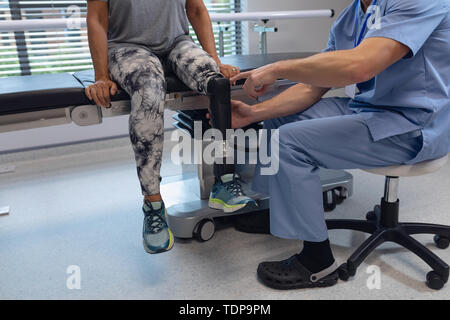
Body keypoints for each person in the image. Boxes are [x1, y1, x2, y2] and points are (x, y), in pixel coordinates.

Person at [231, 0, 449, 289]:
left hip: (413, 124)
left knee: (289, 143)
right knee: (278, 118)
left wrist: (279, 68)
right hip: (368, 109)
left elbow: (360, 67)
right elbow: (313, 85)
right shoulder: (350, 16)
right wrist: (254, 114)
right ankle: (274, 210)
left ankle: (317, 263)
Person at [85, 0, 256, 255]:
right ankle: (153, 203)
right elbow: (97, 18)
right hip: (127, 47)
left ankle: (225, 179)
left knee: (217, 82)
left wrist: (215, 60)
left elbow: (196, 9)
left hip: (177, 43)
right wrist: (102, 76)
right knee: (149, 92)